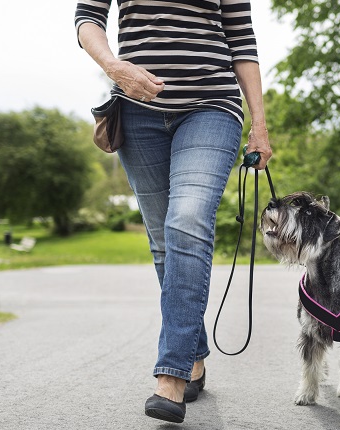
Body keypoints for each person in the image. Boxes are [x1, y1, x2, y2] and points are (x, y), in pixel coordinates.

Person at [75, 0, 272, 424]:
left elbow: (242, 40)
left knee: (187, 222)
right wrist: (115, 67)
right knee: (165, 242)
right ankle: (193, 356)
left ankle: (171, 376)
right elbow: (87, 19)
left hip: (212, 107)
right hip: (136, 110)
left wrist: (259, 123)